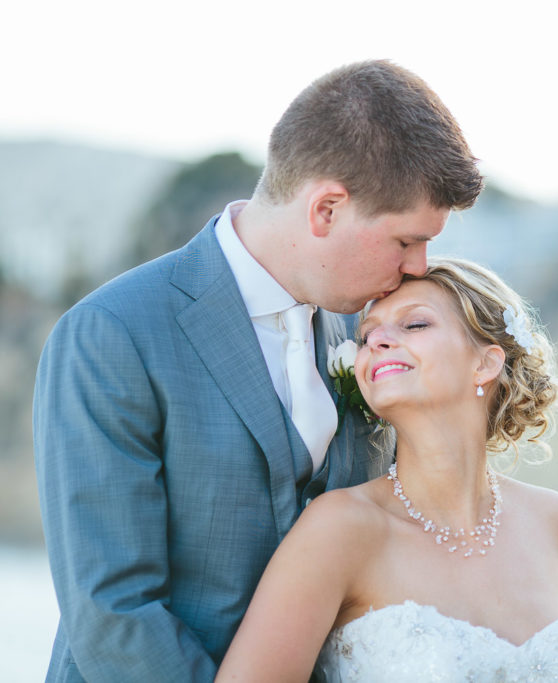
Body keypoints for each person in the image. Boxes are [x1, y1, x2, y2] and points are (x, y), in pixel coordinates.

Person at [33, 60, 483, 682]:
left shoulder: (370, 339)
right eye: (405, 241)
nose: (417, 267)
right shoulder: (112, 335)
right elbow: (113, 611)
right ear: (326, 209)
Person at [217, 257, 558, 682]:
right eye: (367, 336)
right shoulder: (339, 529)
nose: (377, 341)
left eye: (415, 325)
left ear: (486, 363)